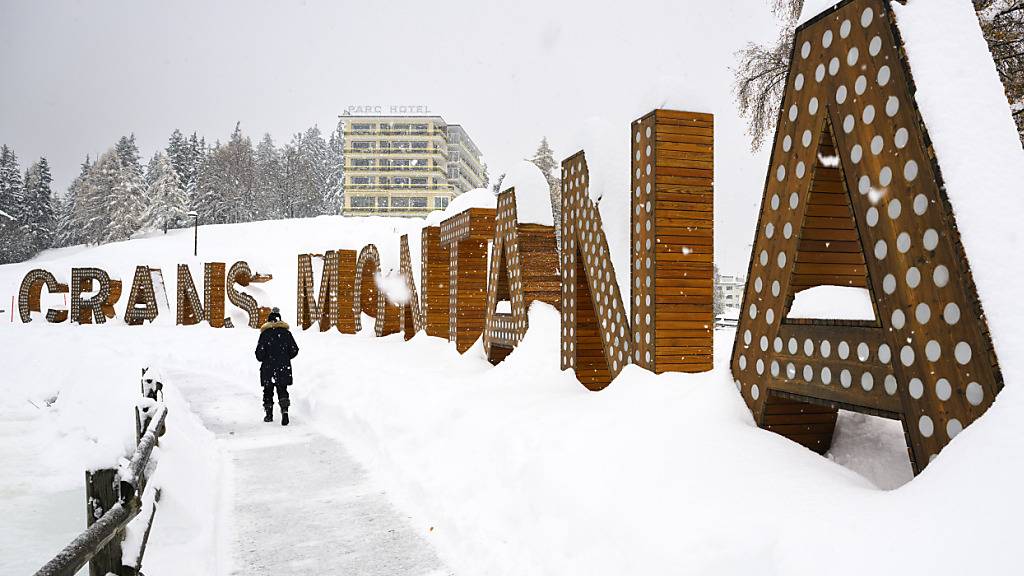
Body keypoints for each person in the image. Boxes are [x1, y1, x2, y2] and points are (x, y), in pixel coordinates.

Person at [255, 307, 299, 425]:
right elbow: (294, 350)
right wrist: (285, 357)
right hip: (283, 367)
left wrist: (266, 357)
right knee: (282, 389)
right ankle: (285, 411)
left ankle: (269, 415)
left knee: (268, 391)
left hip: (268, 368)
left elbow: (259, 354)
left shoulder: (265, 334)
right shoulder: (286, 333)